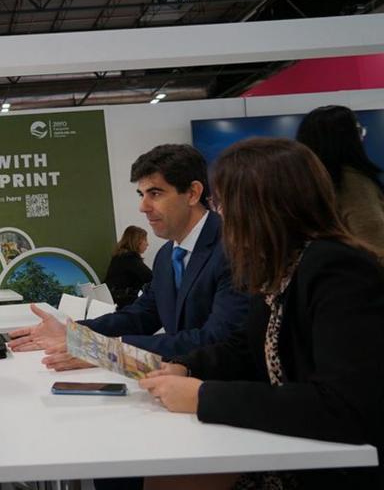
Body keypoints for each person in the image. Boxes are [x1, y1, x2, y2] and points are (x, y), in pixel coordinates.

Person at [139, 138, 384, 489]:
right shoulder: (277, 268)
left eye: (223, 204)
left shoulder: (338, 271)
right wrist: (186, 365)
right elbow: (245, 347)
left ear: (261, 207)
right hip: (290, 447)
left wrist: (204, 396)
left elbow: (343, 405)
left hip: (331, 468)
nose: (219, 216)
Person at [9, 144, 249, 368]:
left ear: (193, 193)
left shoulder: (234, 248)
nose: (143, 207)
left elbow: (215, 339)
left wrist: (105, 352)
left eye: (155, 193)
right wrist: (72, 332)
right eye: (141, 194)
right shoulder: (167, 255)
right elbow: (143, 315)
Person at [297, 105, 384, 251]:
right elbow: (374, 239)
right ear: (348, 139)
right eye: (358, 130)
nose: (361, 137)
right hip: (360, 269)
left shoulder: (305, 182)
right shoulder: (353, 183)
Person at [104, 225, 153, 308]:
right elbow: (150, 278)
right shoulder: (129, 258)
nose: (147, 244)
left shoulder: (120, 256)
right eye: (145, 240)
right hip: (125, 304)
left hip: (115, 301)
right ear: (136, 241)